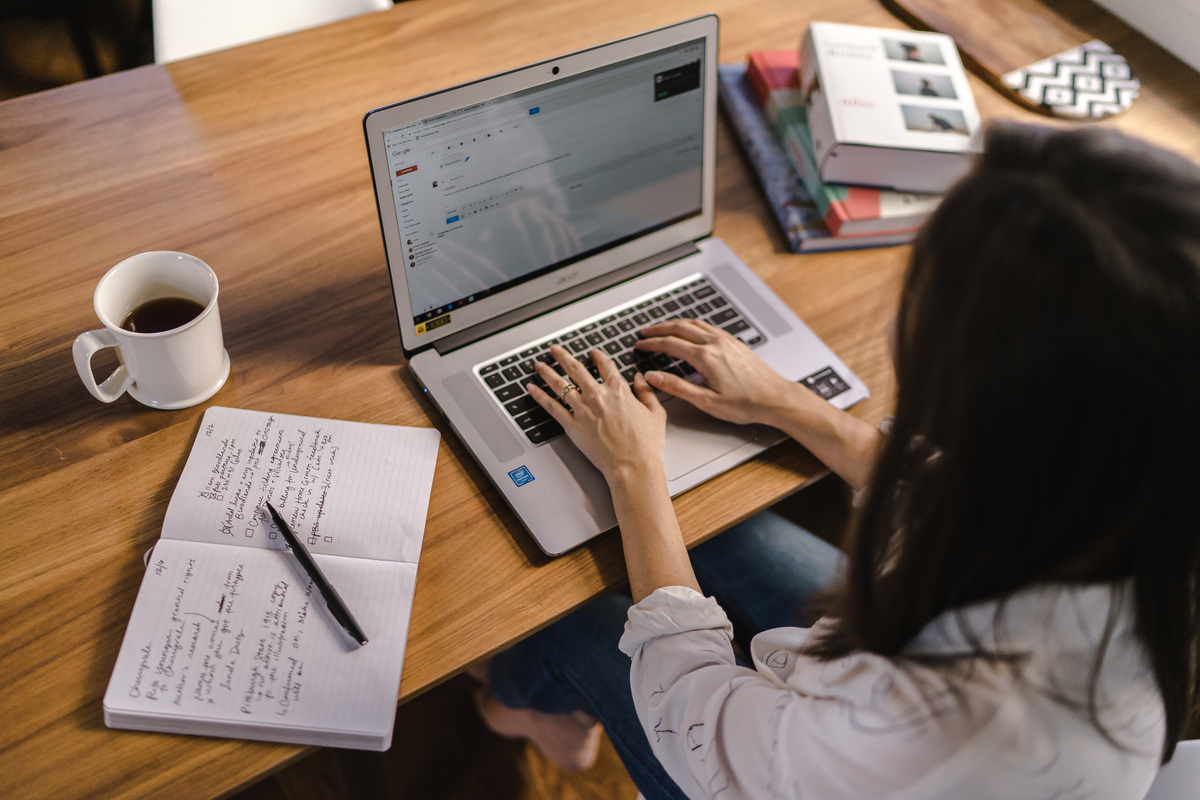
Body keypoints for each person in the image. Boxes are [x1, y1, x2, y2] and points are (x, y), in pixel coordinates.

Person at [472, 122, 1200, 799]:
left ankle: (529, 713)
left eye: (924, 292)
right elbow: (941, 488)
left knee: (571, 618)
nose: (895, 322)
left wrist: (634, 472)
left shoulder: (947, 723)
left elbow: (694, 717)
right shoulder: (1135, 492)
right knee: (717, 529)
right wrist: (785, 402)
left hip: (804, 762)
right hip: (860, 685)